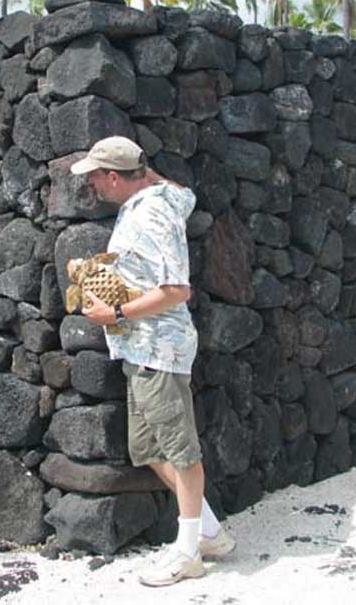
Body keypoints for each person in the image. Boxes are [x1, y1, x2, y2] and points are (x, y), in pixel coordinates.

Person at [70, 135, 235, 587]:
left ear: (112, 177)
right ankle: (211, 534)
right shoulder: (166, 197)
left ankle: (188, 553)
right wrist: (144, 167)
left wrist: (115, 312)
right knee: (147, 449)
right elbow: (179, 190)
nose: (92, 187)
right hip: (140, 349)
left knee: (180, 450)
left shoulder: (154, 213)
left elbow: (178, 290)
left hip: (158, 347)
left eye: (95, 177)